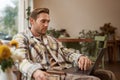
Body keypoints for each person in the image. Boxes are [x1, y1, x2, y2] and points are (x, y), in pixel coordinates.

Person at [13, 8, 116, 80]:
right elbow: (20, 60)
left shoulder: (50, 39)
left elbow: (66, 52)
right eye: (43, 21)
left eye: (48, 21)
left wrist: (79, 58)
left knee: (108, 75)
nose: (46, 25)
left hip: (66, 70)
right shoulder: (21, 38)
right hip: (49, 75)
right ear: (32, 21)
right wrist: (35, 71)